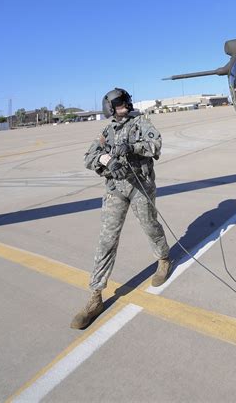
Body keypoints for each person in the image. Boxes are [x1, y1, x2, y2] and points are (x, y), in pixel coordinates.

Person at [70, 87, 172, 329]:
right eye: (119, 105)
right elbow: (89, 156)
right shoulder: (106, 131)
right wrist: (108, 160)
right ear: (110, 108)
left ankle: (164, 259)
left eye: (125, 102)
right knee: (106, 240)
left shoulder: (141, 122)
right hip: (116, 190)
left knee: (150, 226)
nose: (124, 107)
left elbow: (155, 145)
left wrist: (133, 148)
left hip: (140, 187)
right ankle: (95, 297)